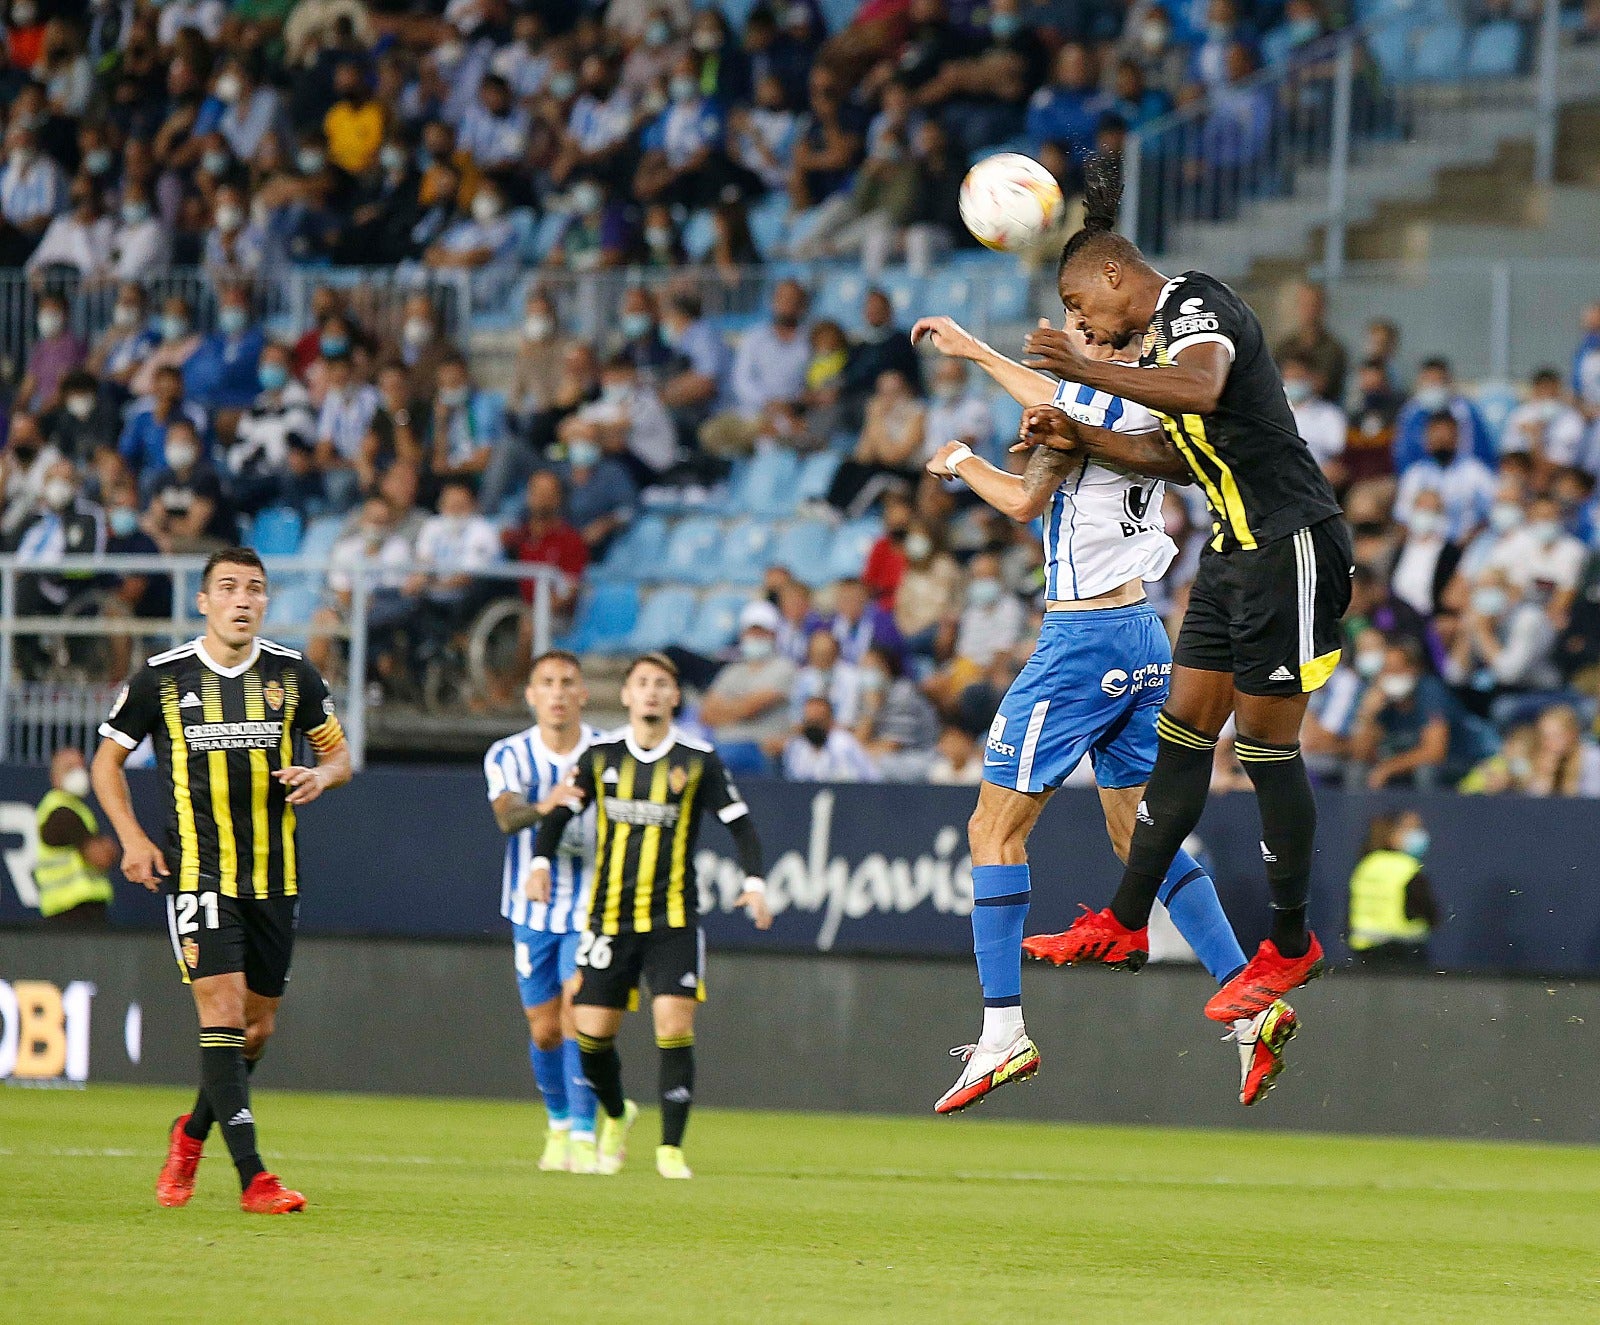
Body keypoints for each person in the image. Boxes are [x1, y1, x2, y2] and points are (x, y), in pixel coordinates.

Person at [912, 304, 1299, 1114]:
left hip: (1082, 642)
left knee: (993, 828)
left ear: (1098, 342)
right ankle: (1249, 1006)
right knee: (1136, 832)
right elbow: (1055, 398)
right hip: (1143, 633)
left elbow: (1022, 501)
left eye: (1078, 323)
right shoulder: (1137, 405)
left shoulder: (1081, 411)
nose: (1065, 332)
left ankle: (1002, 1031)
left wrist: (959, 460)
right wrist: (976, 350)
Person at [1006, 153, 1351, 1027]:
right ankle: (1125, 922)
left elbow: (1199, 387)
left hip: (1290, 544)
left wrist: (1080, 372)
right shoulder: (1155, 348)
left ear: (1117, 276)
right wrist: (1077, 429)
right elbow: (1174, 455)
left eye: (1086, 310)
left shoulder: (1195, 305)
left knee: (1269, 751)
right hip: (1233, 556)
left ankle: (1289, 944)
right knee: (1184, 733)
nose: (1090, 329)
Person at [91, 547, 352, 1214]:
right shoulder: (162, 678)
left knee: (256, 1030)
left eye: (255, 589)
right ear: (203, 601)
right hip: (200, 875)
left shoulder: (292, 675)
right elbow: (106, 764)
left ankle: (191, 1131)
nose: (243, 598)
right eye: (229, 587)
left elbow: (338, 752)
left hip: (275, 877)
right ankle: (254, 1178)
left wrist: (320, 775)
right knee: (224, 1013)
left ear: (266, 602)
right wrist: (134, 839)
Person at [527, 652, 773, 1180]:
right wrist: (541, 862)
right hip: (609, 919)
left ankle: (670, 1150)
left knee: (674, 1023)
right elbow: (558, 813)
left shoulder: (699, 759)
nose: (652, 692)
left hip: (673, 920)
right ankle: (617, 1113)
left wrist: (753, 883)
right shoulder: (599, 755)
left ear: (675, 697)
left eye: (662, 684)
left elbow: (742, 827)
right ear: (626, 696)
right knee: (590, 1037)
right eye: (642, 683)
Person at [483, 651, 603, 1174]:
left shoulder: (607, 751)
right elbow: (508, 819)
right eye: (546, 683)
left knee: (581, 1013)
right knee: (545, 1029)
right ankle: (557, 1121)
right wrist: (548, 806)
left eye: (567, 683)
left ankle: (583, 1134)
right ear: (530, 695)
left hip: (593, 905)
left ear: (582, 694)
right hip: (532, 909)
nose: (557, 692)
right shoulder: (508, 755)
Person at [34, 748, 117, 927]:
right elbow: (100, 857)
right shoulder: (61, 812)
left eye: (81, 767)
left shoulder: (74, 808)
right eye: (70, 768)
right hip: (73, 912)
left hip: (74, 910)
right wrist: (106, 848)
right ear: (55, 777)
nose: (79, 773)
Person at [1346, 810, 1438, 967]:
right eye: (1411, 829)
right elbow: (1430, 912)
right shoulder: (1407, 868)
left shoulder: (1366, 865)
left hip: (1365, 953)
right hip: (1403, 953)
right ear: (1393, 833)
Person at [782, 695, 880, 781]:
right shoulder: (796, 746)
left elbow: (855, 780)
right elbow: (793, 781)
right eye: (810, 721)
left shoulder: (843, 743)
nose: (814, 725)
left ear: (830, 721)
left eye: (818, 721)